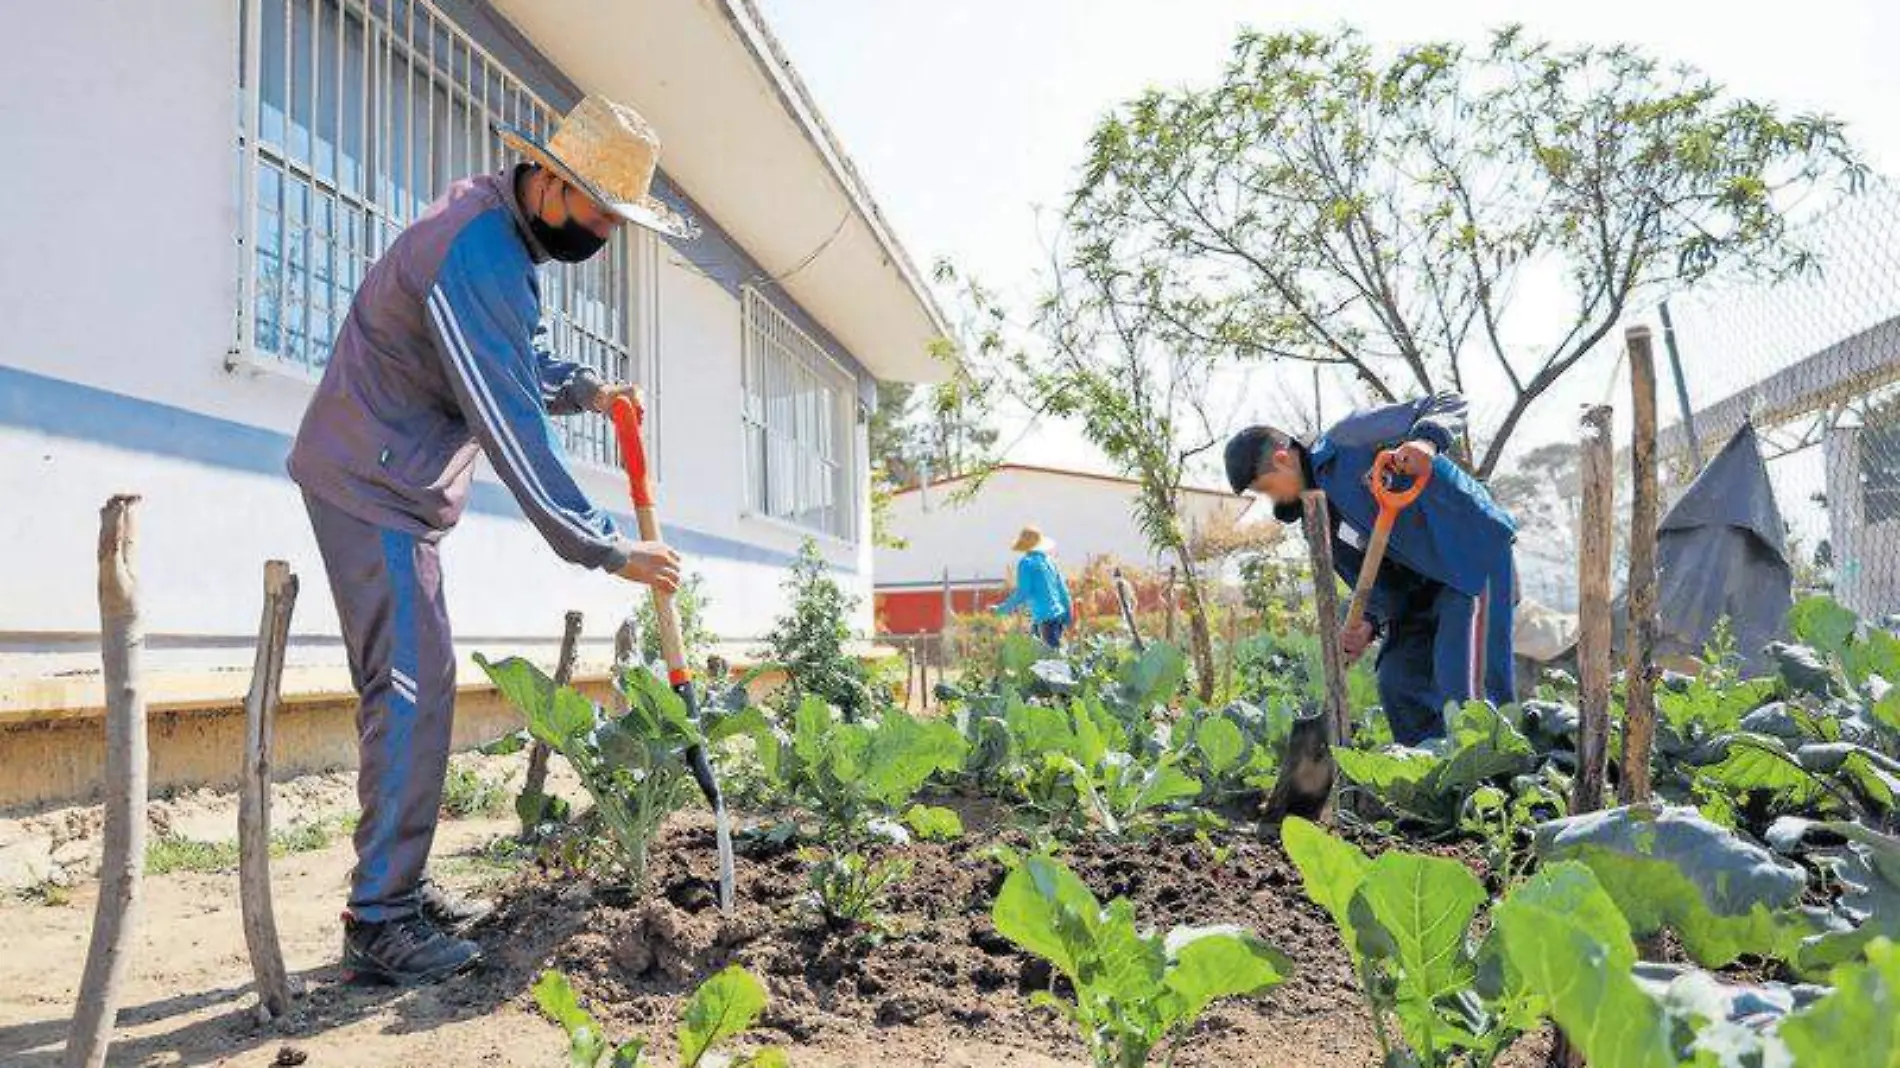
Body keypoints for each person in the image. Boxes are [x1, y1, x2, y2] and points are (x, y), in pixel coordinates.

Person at [287, 95, 694, 985]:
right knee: (409, 690)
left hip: (391, 481)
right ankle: (379, 919)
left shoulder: (498, 237)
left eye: (614, 219)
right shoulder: (476, 250)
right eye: (598, 212)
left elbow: (498, 360)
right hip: (371, 484)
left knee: (418, 686)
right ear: (550, 181)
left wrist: (582, 386)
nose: (603, 232)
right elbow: (506, 426)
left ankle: (394, 888)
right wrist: (606, 547)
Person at [1223, 393, 1518, 745]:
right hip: (1422, 591)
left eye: (1266, 489)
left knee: (1467, 688)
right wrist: (1368, 622)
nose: (1272, 500)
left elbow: (1448, 401)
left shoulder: (1350, 437)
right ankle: (1435, 784)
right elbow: (1380, 589)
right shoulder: (1318, 524)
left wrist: (1425, 441)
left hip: (1469, 557)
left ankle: (1495, 785)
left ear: (1283, 459)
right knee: (1398, 681)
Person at [993, 526, 1074, 648]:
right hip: (1058, 617)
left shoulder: (1026, 563)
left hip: (1044, 618)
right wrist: (1068, 617)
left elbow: (1023, 593)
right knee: (1049, 656)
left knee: (1048, 661)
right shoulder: (1049, 562)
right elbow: (1063, 591)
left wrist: (1003, 609)